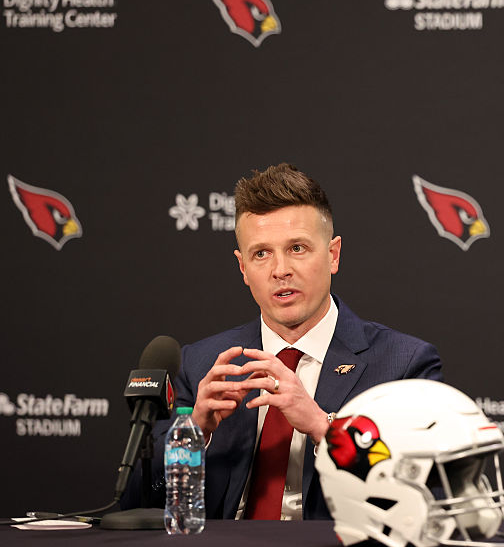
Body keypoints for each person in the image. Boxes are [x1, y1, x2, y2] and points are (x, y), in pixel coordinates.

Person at [126, 163, 442, 520]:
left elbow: (427, 499)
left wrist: (325, 428)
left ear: (333, 255)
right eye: (261, 253)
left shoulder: (402, 364)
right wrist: (194, 432)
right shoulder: (201, 364)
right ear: (242, 267)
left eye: (297, 248)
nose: (280, 270)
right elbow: (135, 505)